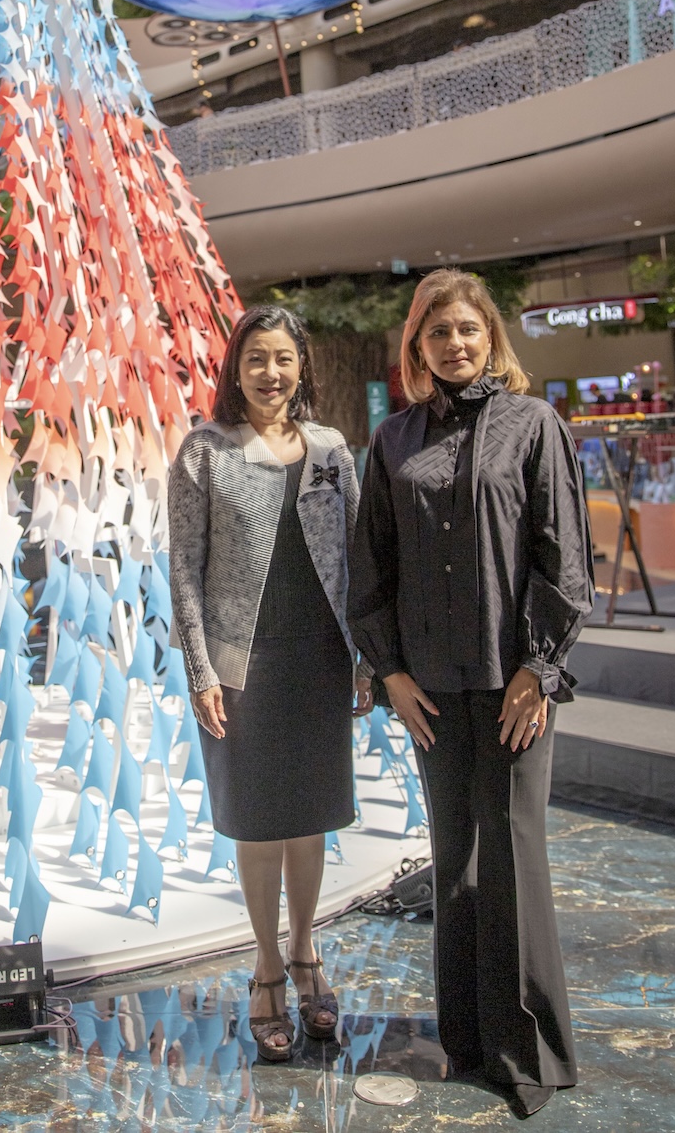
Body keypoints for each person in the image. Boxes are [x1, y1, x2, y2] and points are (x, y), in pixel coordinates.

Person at [348, 270, 594, 1120]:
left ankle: (528, 1055)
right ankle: (465, 1040)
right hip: (430, 690)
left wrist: (539, 667)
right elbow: (371, 563)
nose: (454, 343)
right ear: (416, 346)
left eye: (467, 329)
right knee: (454, 859)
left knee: (513, 858)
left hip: (513, 684)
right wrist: (389, 672)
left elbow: (562, 556)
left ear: (489, 336)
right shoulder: (392, 440)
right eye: (437, 332)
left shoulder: (534, 425)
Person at [169, 303, 372, 1063]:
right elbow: (183, 570)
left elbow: (358, 558)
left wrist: (366, 657)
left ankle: (305, 950)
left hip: (319, 657)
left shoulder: (330, 450)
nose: (270, 372)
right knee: (257, 820)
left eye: (283, 357)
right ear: (236, 368)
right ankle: (264, 967)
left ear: (301, 366)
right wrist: (200, 670)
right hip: (240, 666)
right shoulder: (204, 451)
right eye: (255, 358)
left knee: (309, 818)